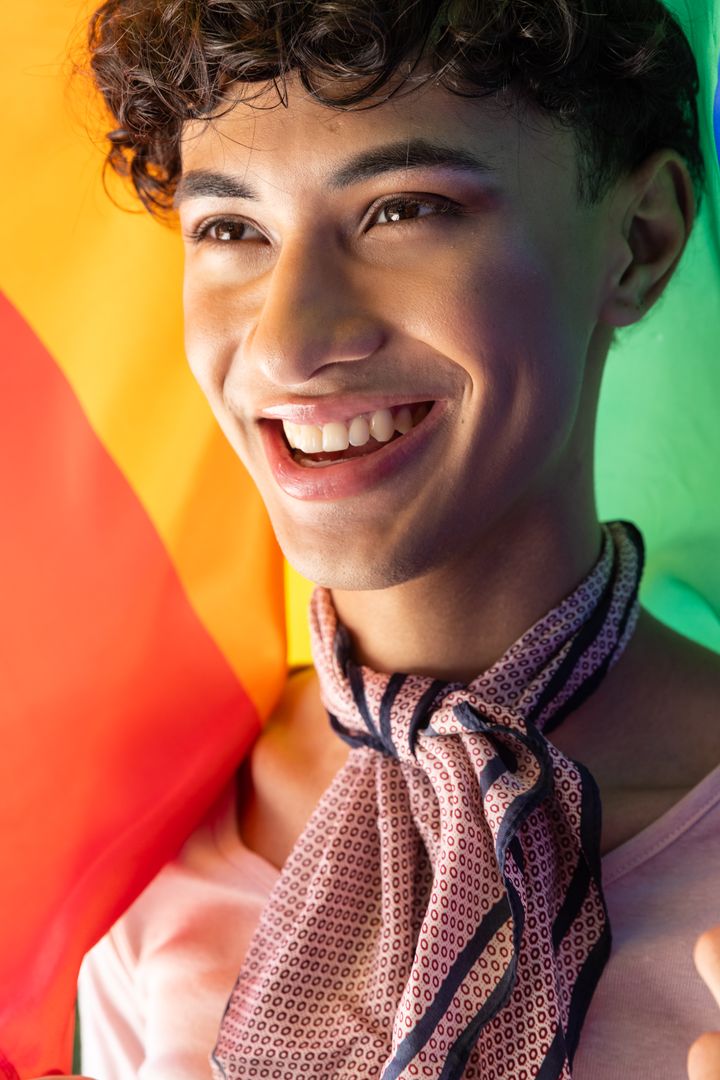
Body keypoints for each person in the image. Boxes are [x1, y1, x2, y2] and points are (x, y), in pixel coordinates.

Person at [70, 0, 720, 1078]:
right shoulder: (142, 843)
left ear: (641, 239)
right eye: (230, 229)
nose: (286, 345)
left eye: (404, 210)